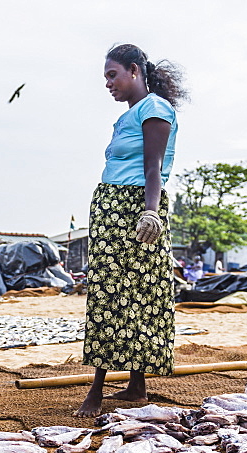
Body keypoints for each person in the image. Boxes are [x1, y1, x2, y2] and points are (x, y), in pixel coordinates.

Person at [74, 44, 187, 418]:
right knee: (113, 292)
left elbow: (153, 168)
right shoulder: (128, 116)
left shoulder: (154, 109)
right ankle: (136, 386)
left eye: (112, 75)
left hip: (135, 211)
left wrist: (150, 213)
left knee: (133, 294)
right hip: (111, 210)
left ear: (135, 71)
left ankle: (97, 389)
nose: (108, 84)